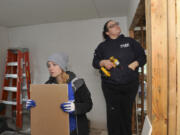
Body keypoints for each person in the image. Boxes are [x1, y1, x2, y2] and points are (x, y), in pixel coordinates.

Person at [92, 20, 146, 135]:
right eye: (112, 26)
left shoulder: (130, 42)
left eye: (117, 24)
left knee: (126, 114)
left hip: (129, 85)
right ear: (107, 32)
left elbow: (142, 57)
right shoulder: (102, 46)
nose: (116, 26)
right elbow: (95, 62)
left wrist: (134, 64)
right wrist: (103, 62)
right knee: (113, 115)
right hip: (110, 87)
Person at [26, 53, 93, 135]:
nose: (51, 68)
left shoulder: (77, 83)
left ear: (62, 66)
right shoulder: (47, 85)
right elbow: (45, 107)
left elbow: (88, 104)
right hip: (55, 127)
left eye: (54, 65)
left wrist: (75, 107)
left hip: (74, 129)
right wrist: (33, 106)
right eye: (49, 65)